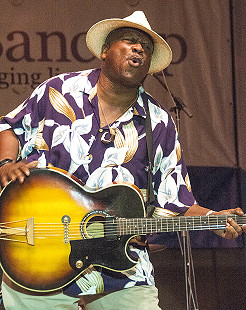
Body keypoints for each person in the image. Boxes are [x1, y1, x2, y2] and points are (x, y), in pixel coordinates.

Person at [0, 11, 245, 310]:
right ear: (105, 51)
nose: (139, 49)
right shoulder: (58, 90)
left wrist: (212, 219)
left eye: (146, 47)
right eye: (130, 41)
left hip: (122, 272)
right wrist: (6, 163)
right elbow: (10, 127)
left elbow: (175, 202)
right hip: (39, 261)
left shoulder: (159, 123)